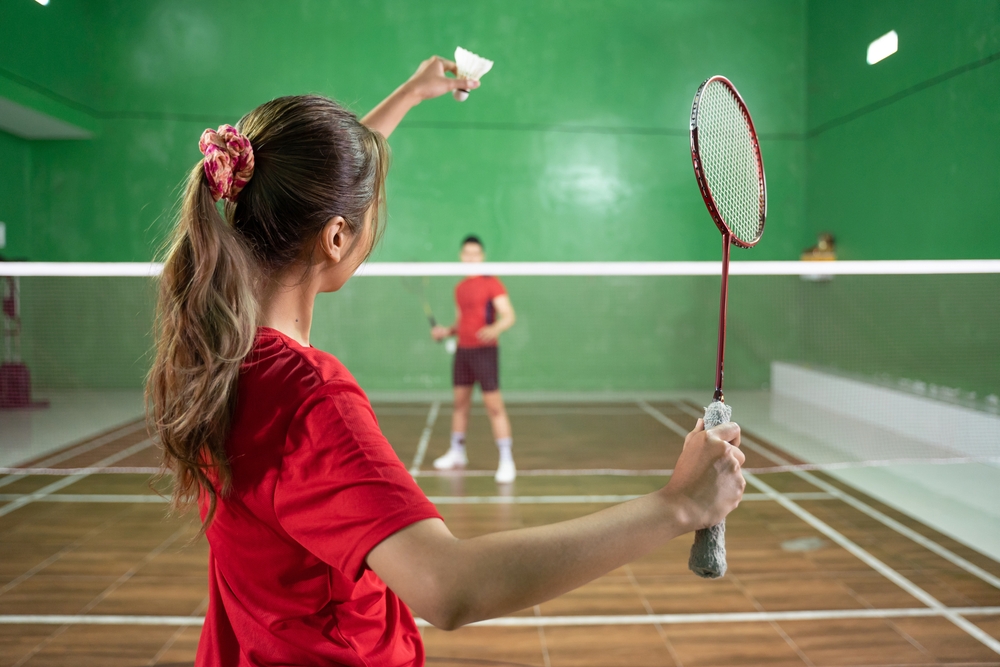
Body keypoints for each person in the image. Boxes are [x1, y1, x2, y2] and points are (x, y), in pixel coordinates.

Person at [148, 55, 745, 667]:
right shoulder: (308, 396)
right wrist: (678, 504)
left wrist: (410, 92)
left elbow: (326, 178)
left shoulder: (212, 353)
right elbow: (449, 587)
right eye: (369, 210)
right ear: (335, 236)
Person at [431, 236, 517, 482]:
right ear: (461, 256)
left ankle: (506, 459)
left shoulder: (492, 284)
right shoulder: (459, 288)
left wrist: (496, 329)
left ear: (482, 256)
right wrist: (446, 331)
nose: (471, 258)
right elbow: (462, 322)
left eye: (475, 254)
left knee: (494, 407)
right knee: (459, 405)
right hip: (463, 351)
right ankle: (457, 452)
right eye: (466, 253)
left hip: (485, 351)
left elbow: (508, 315)